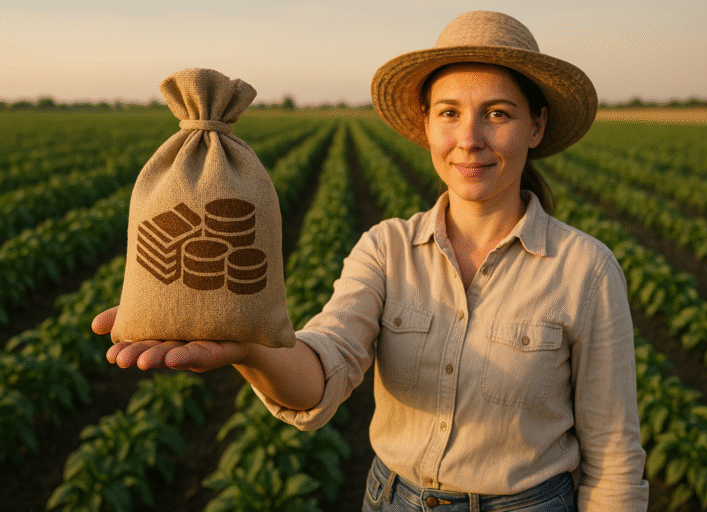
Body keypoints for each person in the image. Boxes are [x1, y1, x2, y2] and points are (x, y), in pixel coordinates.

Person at [93, 10, 649, 511]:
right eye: (449, 113)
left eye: (497, 114)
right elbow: (321, 372)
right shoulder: (385, 250)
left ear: (537, 126)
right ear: (427, 124)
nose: (470, 138)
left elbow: (614, 455)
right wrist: (246, 347)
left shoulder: (585, 269)